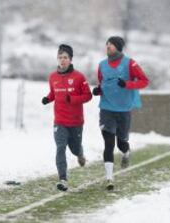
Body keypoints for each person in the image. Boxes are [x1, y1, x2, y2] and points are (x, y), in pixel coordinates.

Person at [92, 36, 149, 190]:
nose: (107, 46)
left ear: (118, 47)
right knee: (108, 143)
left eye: (110, 44)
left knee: (121, 143)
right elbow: (101, 83)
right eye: (106, 44)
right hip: (106, 108)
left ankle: (126, 152)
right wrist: (98, 90)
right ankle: (109, 178)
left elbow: (144, 81)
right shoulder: (102, 65)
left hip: (123, 109)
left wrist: (127, 84)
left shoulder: (130, 63)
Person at [42, 44, 92, 191]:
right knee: (60, 148)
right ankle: (63, 179)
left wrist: (73, 99)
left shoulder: (79, 77)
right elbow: (54, 93)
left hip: (76, 121)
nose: (62, 60)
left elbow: (88, 95)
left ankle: (80, 153)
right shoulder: (53, 77)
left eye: (65, 57)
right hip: (60, 121)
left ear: (70, 60)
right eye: (60, 57)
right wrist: (47, 98)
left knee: (74, 149)